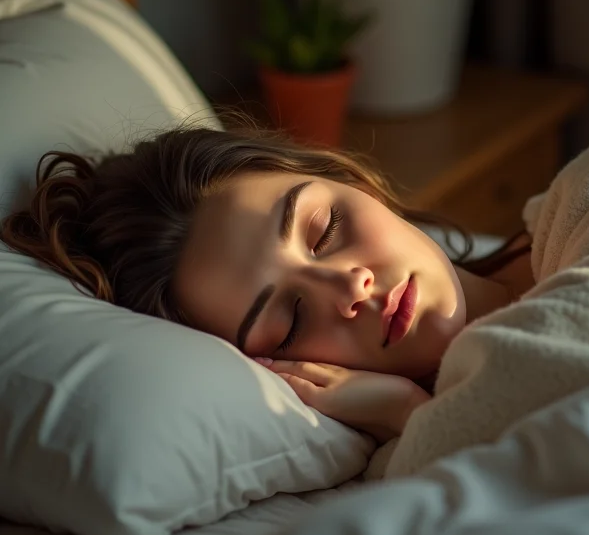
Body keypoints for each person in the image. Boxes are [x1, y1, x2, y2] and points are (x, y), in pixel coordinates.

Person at [1, 122, 535, 443]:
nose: (350, 290)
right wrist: (407, 417)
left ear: (350, 181)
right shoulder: (410, 464)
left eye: (324, 231)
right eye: (291, 321)